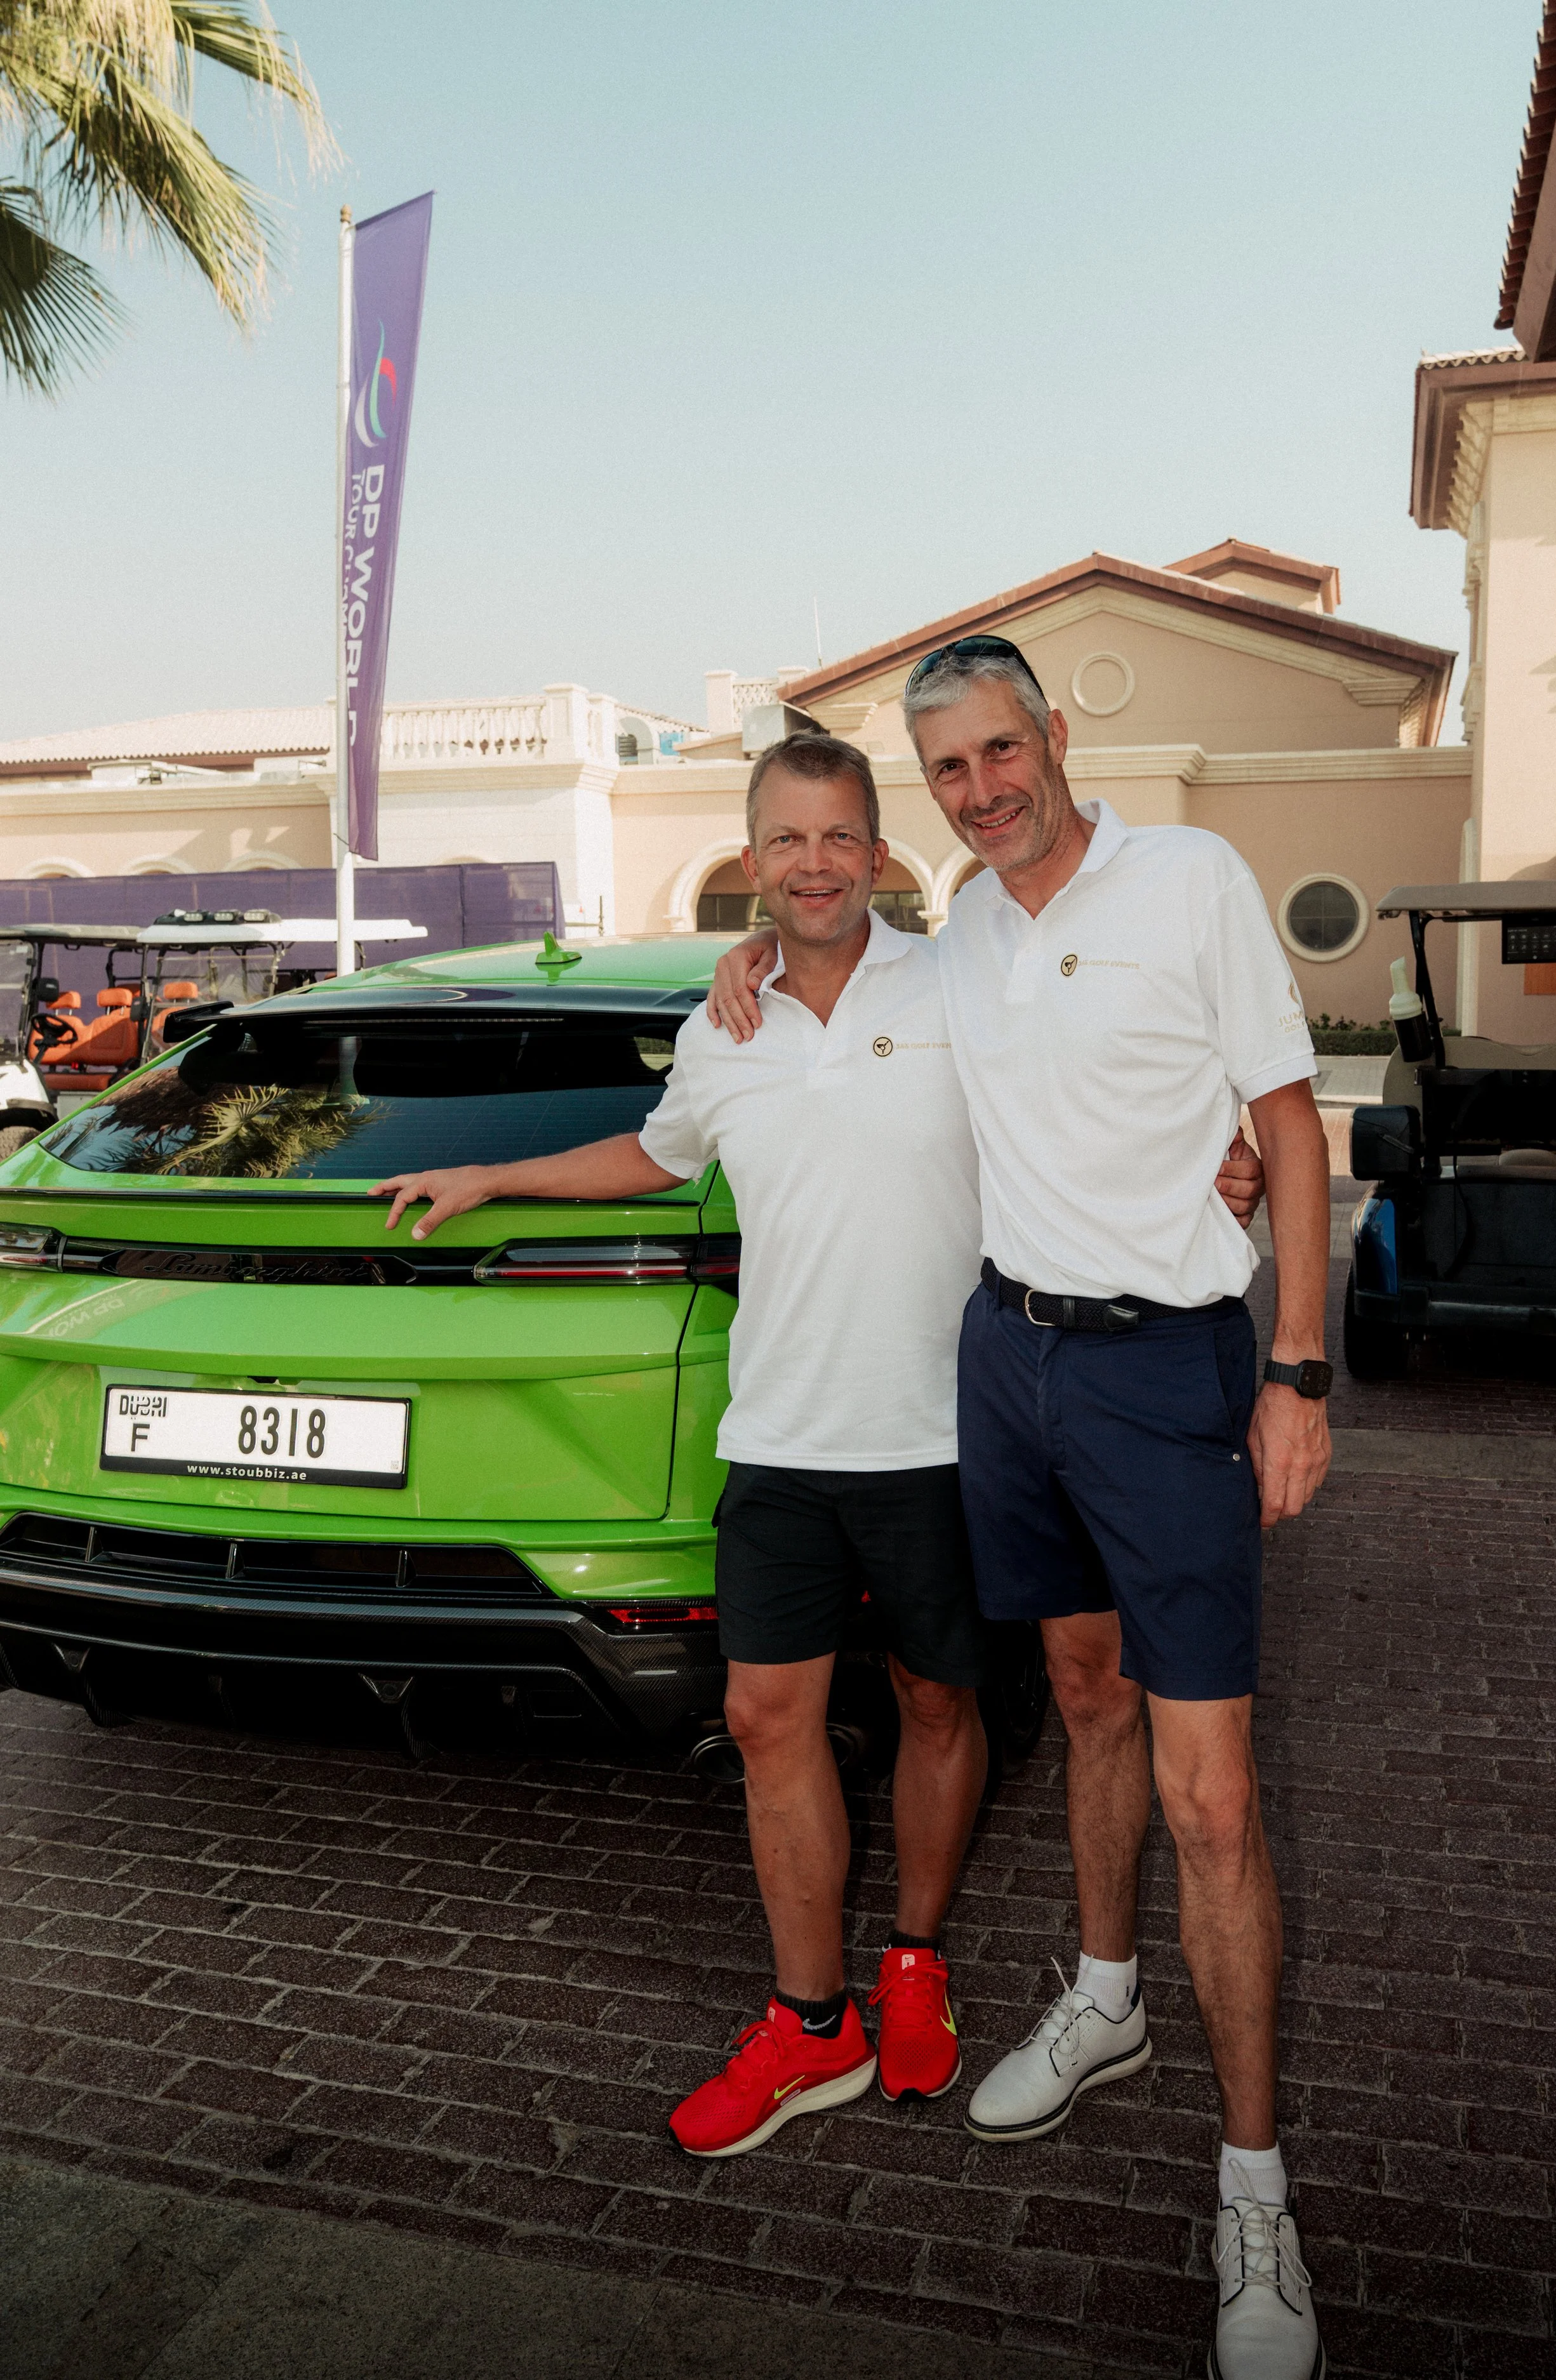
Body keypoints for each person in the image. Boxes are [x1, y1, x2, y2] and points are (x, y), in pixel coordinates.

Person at [370, 728, 1265, 2172]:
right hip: (778, 1432)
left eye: (839, 835)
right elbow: (659, 1153)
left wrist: (1219, 1154)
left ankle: (913, 1960)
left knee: (931, 1705)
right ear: (749, 858)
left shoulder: (960, 973)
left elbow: (1087, 1088)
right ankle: (809, 2022)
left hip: (944, 1431)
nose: (813, 864)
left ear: (880, 852)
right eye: (784, 840)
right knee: (768, 1719)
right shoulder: (721, 1024)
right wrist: (493, 1172)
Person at [708, 645, 1330, 2380]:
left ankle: (1255, 2192)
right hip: (1009, 1362)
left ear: (1054, 738)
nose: (981, 785)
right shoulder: (958, 930)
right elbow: (829, 973)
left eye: (1000, 749)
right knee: (1073, 1695)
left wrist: (1296, 1366)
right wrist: (743, 951)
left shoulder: (1188, 879)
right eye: (949, 769)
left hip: (1170, 1376)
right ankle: (1107, 1994)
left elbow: (1283, 1128)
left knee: (1214, 1797)